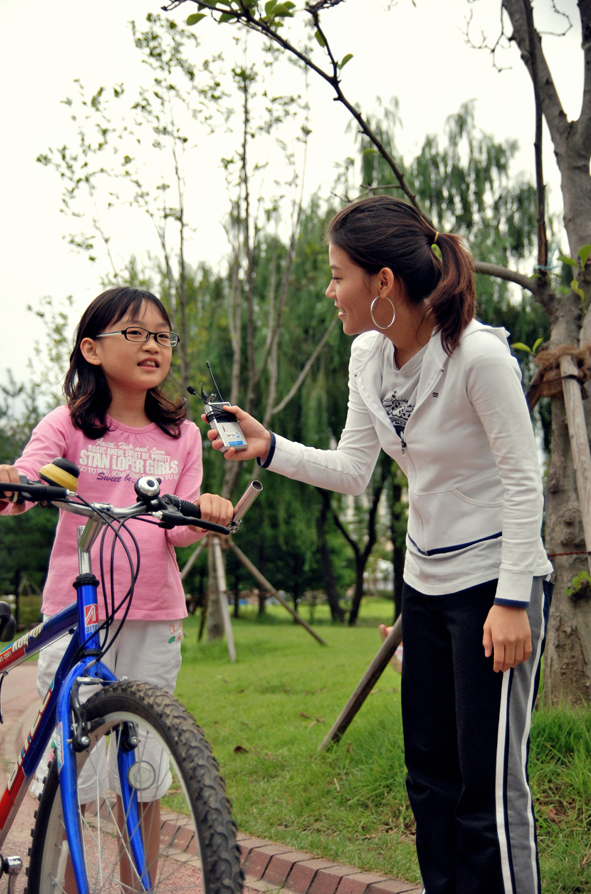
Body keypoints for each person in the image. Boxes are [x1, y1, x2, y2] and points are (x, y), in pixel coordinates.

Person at [204, 196, 553, 894]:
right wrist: (270, 447)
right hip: (423, 587)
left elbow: (524, 480)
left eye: (338, 276)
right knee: (428, 779)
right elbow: (353, 471)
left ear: (383, 282)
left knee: (487, 791)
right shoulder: (368, 355)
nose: (330, 291)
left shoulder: (478, 356)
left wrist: (514, 599)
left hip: (494, 588)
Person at [0, 286, 233, 886]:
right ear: (92, 349)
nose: (152, 344)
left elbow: (177, 533)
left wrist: (204, 512)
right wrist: (8, 484)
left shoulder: (182, 437)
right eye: (135, 333)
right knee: (78, 775)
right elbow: (29, 480)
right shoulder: (70, 425)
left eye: (161, 335)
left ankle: (136, 885)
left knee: (146, 769)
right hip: (80, 613)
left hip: (154, 614)